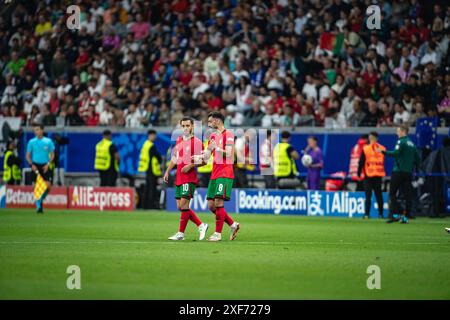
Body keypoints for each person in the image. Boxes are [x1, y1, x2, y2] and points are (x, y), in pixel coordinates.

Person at [193, 111, 240, 242]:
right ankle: (233, 225)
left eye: (210, 121)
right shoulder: (213, 136)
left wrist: (217, 148)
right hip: (215, 173)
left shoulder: (228, 134)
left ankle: (217, 234)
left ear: (217, 121)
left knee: (219, 202)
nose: (208, 124)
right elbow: (208, 155)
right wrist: (199, 156)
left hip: (225, 172)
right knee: (211, 205)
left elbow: (229, 153)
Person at [163, 117, 209, 241]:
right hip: (179, 177)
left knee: (184, 204)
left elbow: (205, 161)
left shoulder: (197, 142)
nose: (185, 128)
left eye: (188, 125)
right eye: (183, 126)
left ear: (192, 126)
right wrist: (167, 171)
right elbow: (174, 158)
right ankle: (201, 225)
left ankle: (181, 233)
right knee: (180, 206)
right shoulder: (179, 140)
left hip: (189, 178)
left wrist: (191, 165)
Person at [380, 125, 420, 224]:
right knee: (408, 195)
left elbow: (396, 153)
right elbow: (418, 159)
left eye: (398, 131)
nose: (397, 133)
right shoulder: (412, 144)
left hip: (398, 171)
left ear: (403, 131)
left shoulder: (401, 141)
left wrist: (383, 152)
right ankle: (407, 216)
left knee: (392, 193)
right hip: (408, 172)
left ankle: (395, 215)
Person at [25, 124, 55, 213]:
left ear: (42, 130)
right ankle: (39, 206)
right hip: (35, 165)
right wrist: (32, 165)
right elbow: (27, 156)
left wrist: (48, 164)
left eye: (38, 129)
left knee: (48, 187)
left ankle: (40, 200)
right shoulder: (31, 142)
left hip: (45, 165)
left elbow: (53, 155)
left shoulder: (48, 141)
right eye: (35, 130)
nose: (36, 132)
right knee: (35, 187)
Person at [358, 132, 385, 219]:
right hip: (378, 174)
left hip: (368, 175)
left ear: (370, 138)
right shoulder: (382, 148)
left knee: (368, 196)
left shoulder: (366, 149)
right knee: (379, 195)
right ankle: (381, 214)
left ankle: (366, 214)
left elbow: (361, 162)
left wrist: (358, 172)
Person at [138, 129, 162, 209]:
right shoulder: (151, 146)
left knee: (148, 187)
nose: (155, 137)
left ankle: (145, 205)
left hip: (147, 168)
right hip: (151, 169)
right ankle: (150, 205)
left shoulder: (145, 144)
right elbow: (156, 156)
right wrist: (160, 159)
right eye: (154, 135)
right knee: (151, 188)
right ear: (150, 135)